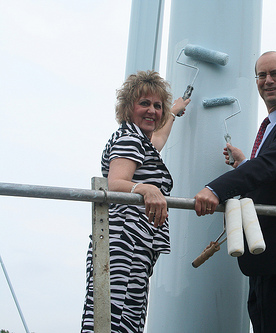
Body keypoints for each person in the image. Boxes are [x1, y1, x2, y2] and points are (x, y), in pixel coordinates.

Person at [194, 51, 276, 332]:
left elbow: (270, 165)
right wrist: (245, 163)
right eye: (261, 75)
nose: (268, 80)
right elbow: (273, 169)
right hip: (266, 257)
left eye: (275, 73)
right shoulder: (272, 127)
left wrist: (216, 188)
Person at [81, 70, 190, 333]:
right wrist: (147, 189)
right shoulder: (130, 138)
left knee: (125, 317)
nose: (152, 110)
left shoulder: (140, 140)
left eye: (157, 105)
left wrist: (173, 112)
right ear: (128, 108)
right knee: (114, 320)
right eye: (144, 103)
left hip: (135, 243)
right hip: (123, 242)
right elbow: (115, 183)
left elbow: (159, 139)